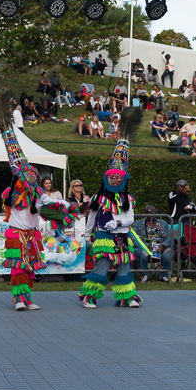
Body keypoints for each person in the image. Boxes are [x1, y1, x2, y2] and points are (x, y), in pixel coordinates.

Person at [0, 90, 77, 310]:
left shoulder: (38, 193)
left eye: (32, 175)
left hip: (32, 235)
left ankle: (28, 299)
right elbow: (10, 198)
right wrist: (19, 180)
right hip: (17, 234)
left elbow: (48, 203)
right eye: (27, 175)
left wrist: (68, 207)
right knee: (18, 267)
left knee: (31, 267)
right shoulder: (11, 193)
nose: (31, 177)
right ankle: (18, 299)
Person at [80, 107, 144, 309]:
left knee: (125, 265)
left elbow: (130, 217)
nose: (115, 179)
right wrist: (87, 234)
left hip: (122, 235)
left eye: (119, 177)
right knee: (103, 264)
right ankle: (89, 295)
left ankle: (127, 297)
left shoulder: (127, 198)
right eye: (112, 176)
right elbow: (92, 215)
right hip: (105, 237)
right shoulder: (99, 197)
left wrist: (118, 221)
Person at [133, 205, 172, 282]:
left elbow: (170, 237)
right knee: (139, 252)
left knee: (169, 254)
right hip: (145, 247)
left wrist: (164, 245)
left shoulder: (163, 223)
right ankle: (145, 275)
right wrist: (146, 246)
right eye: (150, 211)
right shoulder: (137, 224)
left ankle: (163, 276)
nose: (153, 213)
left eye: (155, 211)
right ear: (145, 213)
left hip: (161, 247)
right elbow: (134, 238)